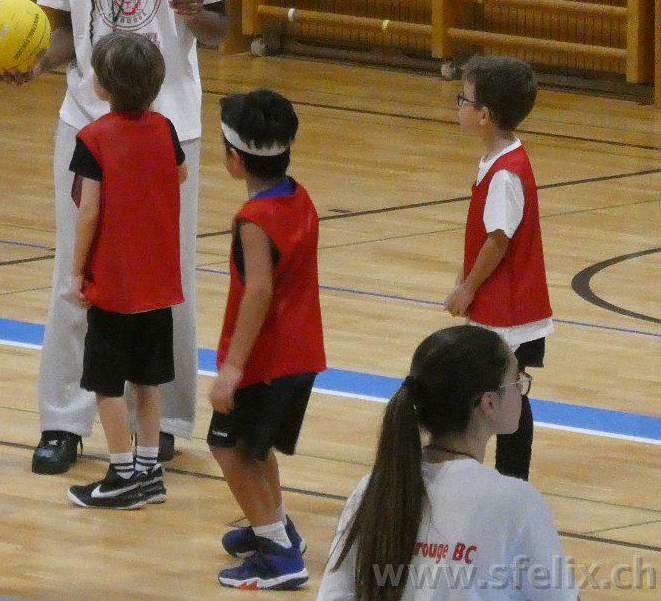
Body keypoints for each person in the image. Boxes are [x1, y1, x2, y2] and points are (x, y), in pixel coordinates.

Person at [0, 0, 243, 475]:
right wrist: (35, 64)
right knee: (76, 273)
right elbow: (63, 36)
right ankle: (63, 420)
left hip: (167, 133)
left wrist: (197, 15)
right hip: (86, 129)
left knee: (165, 278)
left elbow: (224, 29)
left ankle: (163, 419)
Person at [318, 325, 576, 600]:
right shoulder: (516, 502)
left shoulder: (372, 489)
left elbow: (334, 595)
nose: (521, 390)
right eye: (517, 381)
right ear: (488, 402)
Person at [209, 88, 324, 590]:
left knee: (227, 448)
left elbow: (258, 291)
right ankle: (275, 528)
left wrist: (232, 368)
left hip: (266, 359)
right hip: (301, 352)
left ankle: (278, 553)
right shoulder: (299, 196)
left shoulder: (255, 220)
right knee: (254, 449)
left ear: (235, 160)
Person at [65, 32, 186, 510]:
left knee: (105, 384)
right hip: (159, 281)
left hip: (116, 283)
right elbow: (179, 175)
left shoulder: (93, 139)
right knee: (148, 380)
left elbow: (89, 211)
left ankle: (121, 475)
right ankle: (150, 471)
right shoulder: (166, 130)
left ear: (103, 85)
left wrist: (77, 271)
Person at [446, 55, 552, 481]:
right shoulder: (499, 159)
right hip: (507, 303)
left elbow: (498, 240)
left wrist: (468, 286)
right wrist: (463, 278)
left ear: (484, 115)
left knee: (505, 393)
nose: (458, 105)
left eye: (463, 99)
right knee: (503, 390)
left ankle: (511, 478)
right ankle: (505, 476)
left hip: (509, 308)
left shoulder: (506, 174)